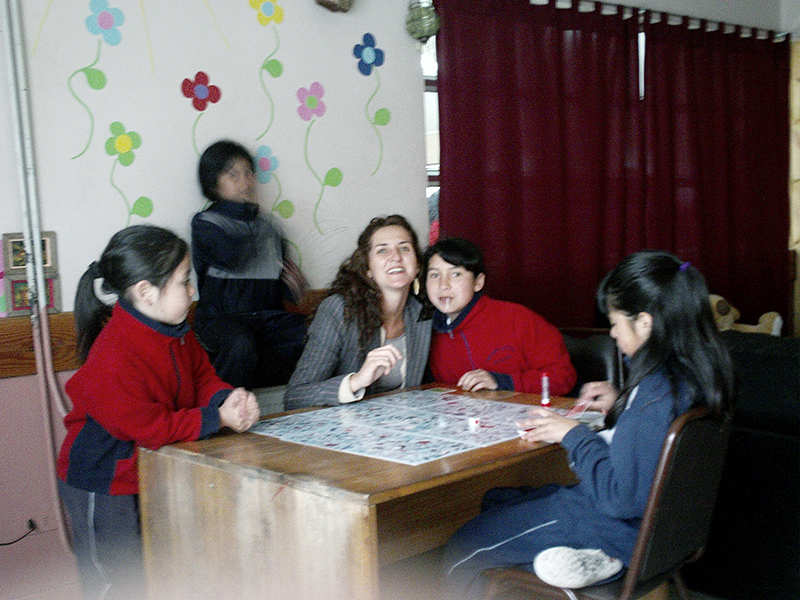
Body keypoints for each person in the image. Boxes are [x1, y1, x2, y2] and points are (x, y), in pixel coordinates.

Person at [441, 250, 735, 599]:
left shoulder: (654, 396)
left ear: (645, 323)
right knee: (496, 499)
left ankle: (602, 557)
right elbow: (651, 442)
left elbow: (618, 498)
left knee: (462, 547)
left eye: (615, 322)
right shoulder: (694, 374)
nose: (612, 333)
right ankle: (587, 560)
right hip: (661, 534)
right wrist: (622, 404)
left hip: (612, 525)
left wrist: (573, 434)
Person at [57, 225, 260, 600]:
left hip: (149, 471)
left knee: (160, 577)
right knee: (119, 585)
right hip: (103, 483)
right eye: (184, 282)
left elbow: (201, 376)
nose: (193, 290)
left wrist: (226, 399)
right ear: (145, 292)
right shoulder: (114, 353)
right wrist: (218, 419)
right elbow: (150, 427)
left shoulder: (175, 329)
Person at [191, 140, 307, 389]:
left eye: (248, 173)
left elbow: (279, 287)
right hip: (220, 320)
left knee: (312, 332)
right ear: (213, 182)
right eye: (233, 174)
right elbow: (231, 257)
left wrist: (294, 286)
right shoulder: (206, 223)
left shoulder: (268, 226)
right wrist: (251, 221)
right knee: (240, 342)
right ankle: (227, 405)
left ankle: (301, 401)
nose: (244, 181)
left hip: (266, 318)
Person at [284, 215, 432, 409]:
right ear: (368, 268)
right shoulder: (339, 310)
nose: (396, 256)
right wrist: (356, 381)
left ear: (417, 265)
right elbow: (295, 397)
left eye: (404, 248)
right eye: (382, 250)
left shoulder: (424, 314)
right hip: (348, 425)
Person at [423, 237, 576, 395]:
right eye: (434, 275)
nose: (443, 285)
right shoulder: (426, 333)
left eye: (456, 274)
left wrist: (504, 382)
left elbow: (563, 377)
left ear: (478, 282)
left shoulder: (518, 319)